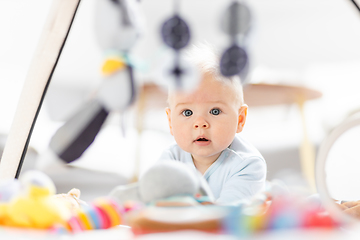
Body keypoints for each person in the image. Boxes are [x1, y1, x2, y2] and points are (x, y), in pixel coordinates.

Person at [158, 43, 267, 204]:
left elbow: (227, 214)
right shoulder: (171, 159)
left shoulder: (247, 165)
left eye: (215, 111)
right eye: (187, 112)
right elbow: (157, 201)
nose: (200, 123)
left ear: (240, 119)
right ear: (170, 122)